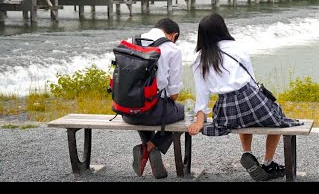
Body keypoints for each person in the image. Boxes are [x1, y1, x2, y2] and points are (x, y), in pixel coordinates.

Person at [187, 13, 303, 181]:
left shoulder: (199, 59)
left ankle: (247, 152)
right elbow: (251, 81)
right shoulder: (238, 48)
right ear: (222, 28)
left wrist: (199, 121)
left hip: (227, 110)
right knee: (278, 116)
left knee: (242, 120)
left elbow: (202, 94)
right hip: (249, 97)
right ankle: (268, 161)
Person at [122, 18, 184, 179]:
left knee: (142, 103)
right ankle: (149, 147)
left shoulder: (130, 41)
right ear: (173, 35)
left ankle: (148, 152)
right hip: (151, 114)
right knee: (184, 113)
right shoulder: (172, 49)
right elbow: (174, 95)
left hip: (126, 112)